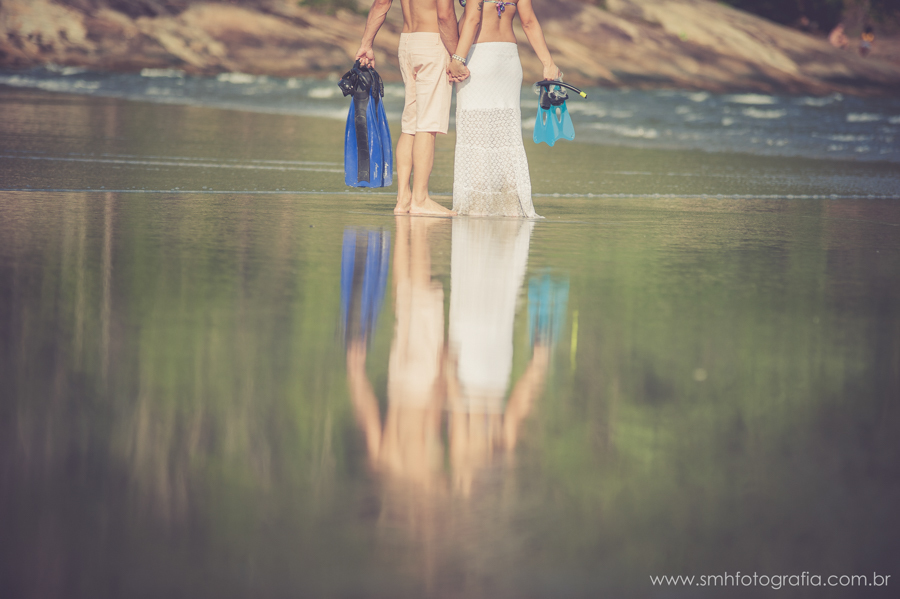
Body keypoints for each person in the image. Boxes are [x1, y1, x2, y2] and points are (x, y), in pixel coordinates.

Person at [448, 0, 561, 217]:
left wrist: (458, 59)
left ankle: (477, 206)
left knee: (476, 133)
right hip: (509, 59)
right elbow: (528, 22)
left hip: (479, 55)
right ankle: (510, 206)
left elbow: (473, 18)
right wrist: (548, 63)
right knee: (507, 134)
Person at [354, 0, 460, 216]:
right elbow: (445, 14)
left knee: (410, 123)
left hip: (407, 43)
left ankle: (403, 199)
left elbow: (381, 3)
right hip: (432, 41)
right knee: (427, 124)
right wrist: (458, 56)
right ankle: (420, 200)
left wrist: (366, 43)